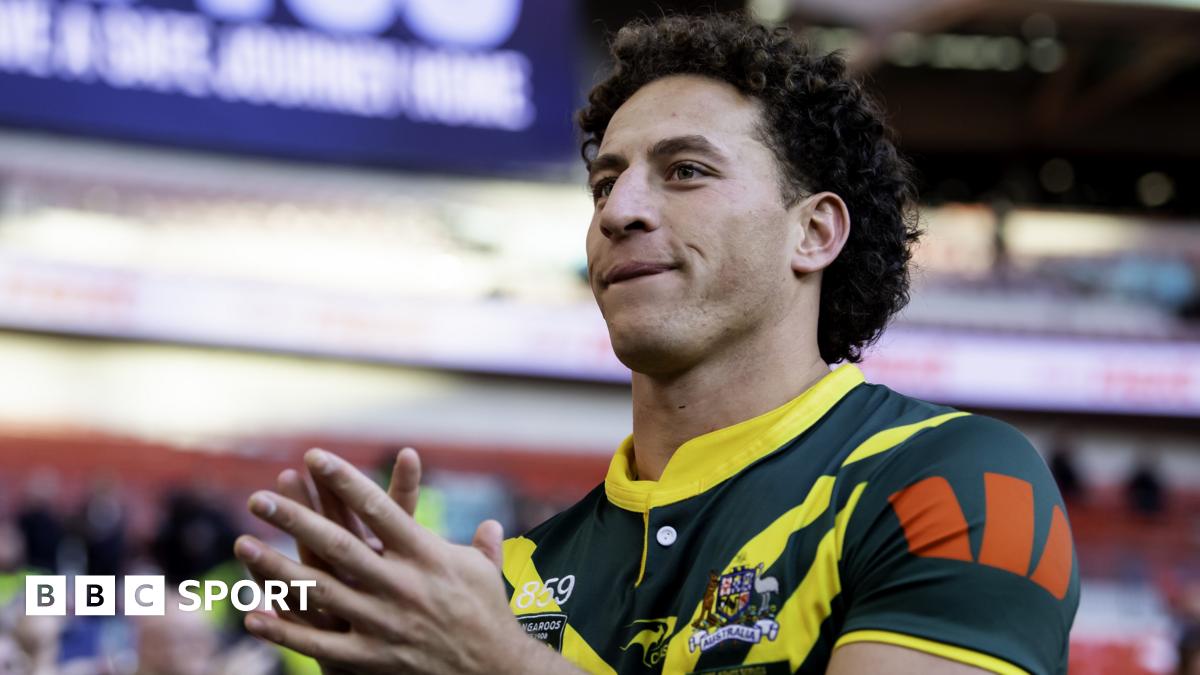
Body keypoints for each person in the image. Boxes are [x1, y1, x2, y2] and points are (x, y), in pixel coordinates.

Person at [232, 12, 1079, 674]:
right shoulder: (517, 576)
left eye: (686, 171)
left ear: (814, 231)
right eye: (606, 179)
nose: (617, 210)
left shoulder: (956, 478)